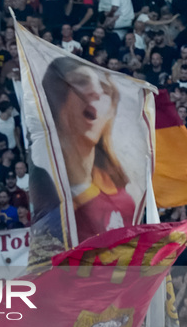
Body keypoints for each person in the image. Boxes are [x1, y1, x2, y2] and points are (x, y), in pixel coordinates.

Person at [41, 57, 135, 243]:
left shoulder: (118, 186)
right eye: (80, 82)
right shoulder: (44, 182)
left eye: (104, 88)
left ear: (110, 112)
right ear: (54, 97)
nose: (96, 92)